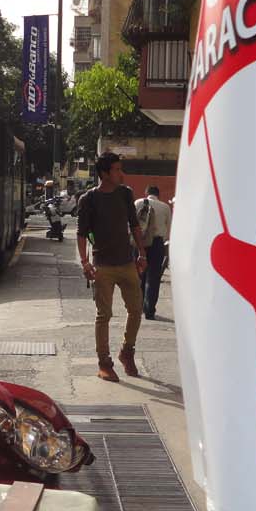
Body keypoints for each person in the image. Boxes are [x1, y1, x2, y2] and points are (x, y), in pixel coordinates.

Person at [77, 151, 148, 382]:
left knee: (137, 309)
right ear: (104, 174)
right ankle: (104, 363)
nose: (121, 173)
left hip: (127, 262)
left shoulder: (125, 194)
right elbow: (81, 233)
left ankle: (127, 352)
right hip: (102, 266)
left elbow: (135, 225)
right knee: (103, 315)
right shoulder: (88, 199)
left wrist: (142, 253)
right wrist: (85, 262)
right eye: (117, 169)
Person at [135, 186, 173, 320]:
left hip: (140, 243)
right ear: (158, 195)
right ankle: (150, 310)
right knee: (154, 277)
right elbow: (169, 229)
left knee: (139, 275)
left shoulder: (138, 203)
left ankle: (137, 308)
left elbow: (132, 224)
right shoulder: (165, 207)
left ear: (146, 194)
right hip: (157, 244)